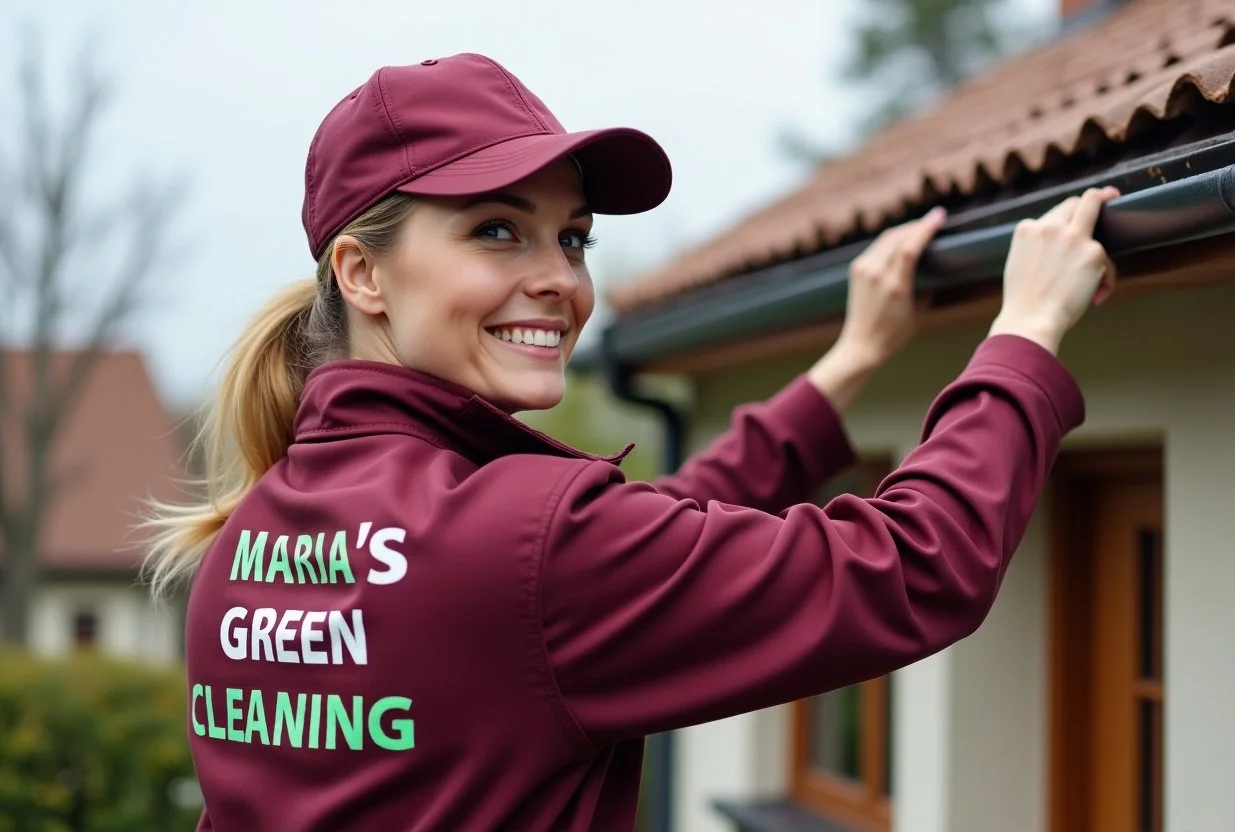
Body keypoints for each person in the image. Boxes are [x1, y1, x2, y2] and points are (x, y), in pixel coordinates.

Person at [143, 52, 1118, 832]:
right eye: (496, 231)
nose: (558, 280)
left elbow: (634, 550)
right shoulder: (526, 551)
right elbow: (913, 564)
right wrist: (1020, 339)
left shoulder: (247, 543)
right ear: (361, 272)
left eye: (572, 238)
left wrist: (848, 362)